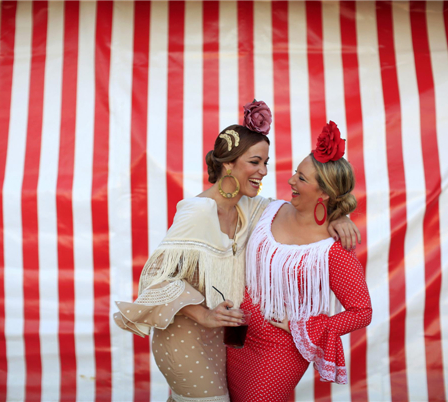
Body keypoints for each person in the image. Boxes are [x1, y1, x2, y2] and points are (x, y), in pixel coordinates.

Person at [114, 103, 360, 401]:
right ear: (228, 164)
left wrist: (337, 214)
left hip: (224, 339)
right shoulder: (198, 212)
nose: (265, 172)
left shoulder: (254, 208)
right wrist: (203, 315)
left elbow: (303, 214)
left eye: (266, 163)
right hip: (187, 335)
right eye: (255, 162)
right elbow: (155, 278)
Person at [226, 121, 372, 402]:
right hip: (235, 335)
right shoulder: (268, 210)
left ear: (325, 193)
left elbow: (362, 311)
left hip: (278, 351)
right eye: (296, 172)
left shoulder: (333, 249)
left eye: (302, 178)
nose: (291, 180)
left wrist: (304, 327)